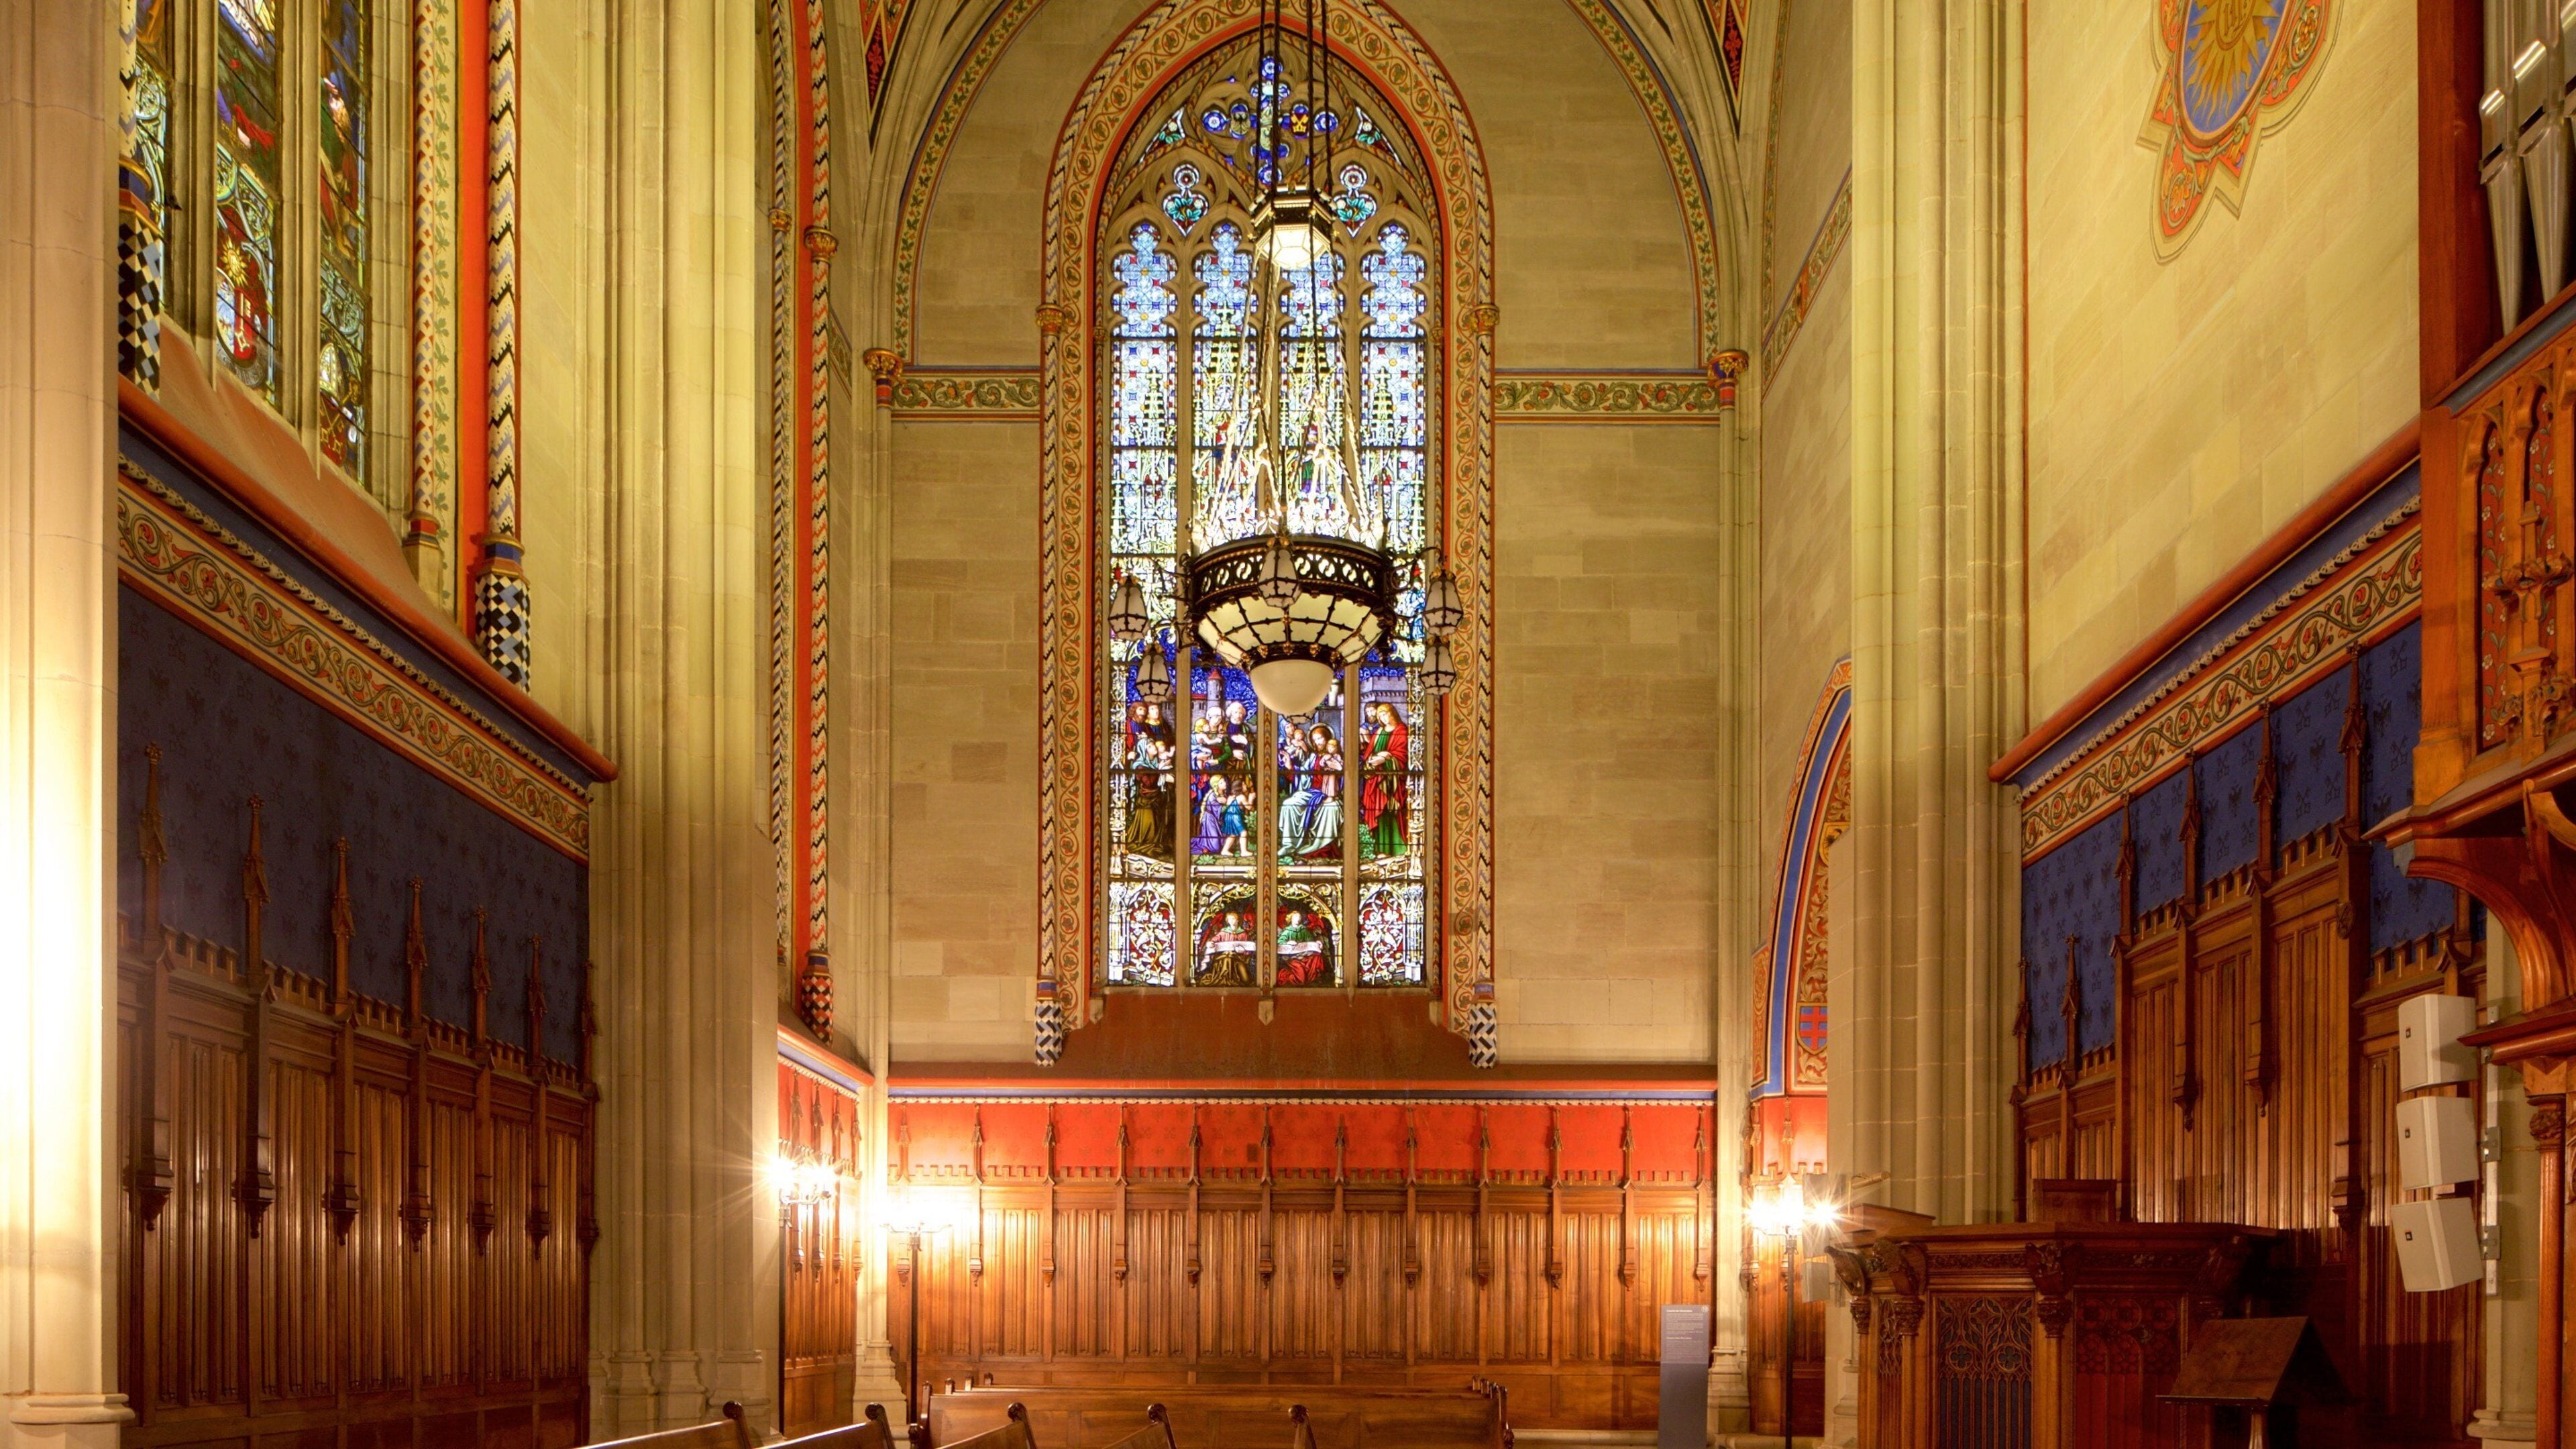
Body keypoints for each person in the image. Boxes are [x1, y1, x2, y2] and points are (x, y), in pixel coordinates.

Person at [1360, 701, 1409, 859]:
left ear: (1392, 713)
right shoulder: (1379, 732)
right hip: (1376, 780)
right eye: (1380, 715)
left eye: (1385, 713)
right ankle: (1380, 849)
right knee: (1378, 813)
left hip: (1393, 782)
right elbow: (1368, 754)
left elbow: (1403, 756)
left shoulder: (1402, 730)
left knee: (1392, 812)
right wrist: (1372, 761)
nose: (1383, 717)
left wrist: (1387, 759)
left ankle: (1398, 849)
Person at [1196, 908, 1256, 985]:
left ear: (1238, 920)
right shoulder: (1223, 932)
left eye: (1233, 919)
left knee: (1246, 980)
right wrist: (1210, 943)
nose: (1232, 921)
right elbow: (1214, 940)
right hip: (1223, 958)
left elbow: (1249, 949)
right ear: (1227, 921)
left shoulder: (1243, 934)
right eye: (1230, 919)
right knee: (1227, 959)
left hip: (1239, 959)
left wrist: (1243, 951)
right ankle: (1225, 981)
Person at [1275, 907, 1331, 986]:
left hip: (1305, 957)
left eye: (1299, 917)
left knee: (1317, 957)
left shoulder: (1304, 930)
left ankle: (1317, 977)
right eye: (1295, 917)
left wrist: (1318, 942)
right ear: (1291, 918)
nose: (1297, 919)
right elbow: (1280, 942)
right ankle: (1284, 975)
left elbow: (1310, 942)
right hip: (1293, 958)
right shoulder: (1287, 931)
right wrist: (1288, 942)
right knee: (1301, 978)